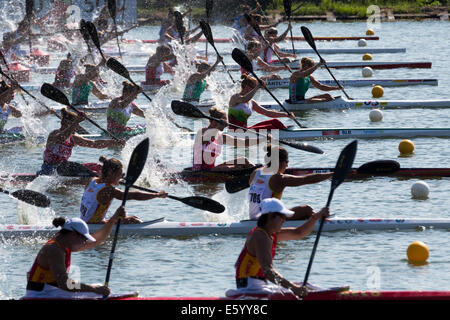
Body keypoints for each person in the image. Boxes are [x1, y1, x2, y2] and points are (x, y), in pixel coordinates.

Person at [229, 197, 330, 298]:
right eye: (282, 216)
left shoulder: (270, 233)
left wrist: (315, 217)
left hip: (259, 285)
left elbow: (299, 233)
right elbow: (268, 272)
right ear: (270, 216)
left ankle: (328, 292)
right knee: (290, 294)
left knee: (305, 285)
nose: (284, 220)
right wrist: (294, 289)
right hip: (248, 288)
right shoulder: (260, 237)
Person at [22, 206, 126, 299]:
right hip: (39, 295)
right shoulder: (54, 249)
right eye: (84, 239)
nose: (84, 243)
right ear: (73, 234)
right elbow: (65, 284)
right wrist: (93, 289)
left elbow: (97, 240)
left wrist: (114, 219)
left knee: (98, 287)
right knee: (96, 291)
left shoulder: (64, 244)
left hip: (50, 291)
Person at [248, 144, 332, 220]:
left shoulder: (256, 172)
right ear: (281, 162)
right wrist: (333, 174)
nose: (287, 166)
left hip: (253, 217)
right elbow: (306, 179)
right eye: (287, 162)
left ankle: (313, 217)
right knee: (307, 209)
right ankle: (316, 218)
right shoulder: (278, 179)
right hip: (268, 219)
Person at [80, 156, 167, 224]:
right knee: (133, 220)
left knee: (130, 218)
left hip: (85, 221)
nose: (121, 177)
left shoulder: (92, 180)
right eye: (120, 174)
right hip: (95, 225)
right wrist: (157, 195)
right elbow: (134, 195)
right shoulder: (109, 190)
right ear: (111, 173)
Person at [37, 108, 124, 175]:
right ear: (67, 123)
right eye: (76, 125)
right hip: (49, 168)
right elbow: (62, 137)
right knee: (86, 171)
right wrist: (76, 121)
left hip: (65, 168)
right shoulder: (54, 134)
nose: (77, 127)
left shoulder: (73, 138)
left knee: (97, 167)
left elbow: (94, 144)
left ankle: (113, 175)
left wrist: (114, 142)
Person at [193, 107, 263, 172]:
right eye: (224, 119)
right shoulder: (202, 131)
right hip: (200, 171)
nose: (226, 122)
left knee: (244, 160)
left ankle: (257, 176)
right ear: (214, 121)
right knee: (237, 167)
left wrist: (264, 139)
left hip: (212, 169)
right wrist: (218, 126)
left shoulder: (221, 137)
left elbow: (244, 143)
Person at [228, 74, 295, 131]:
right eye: (253, 87)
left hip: (246, 130)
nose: (255, 90)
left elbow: (267, 112)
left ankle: (285, 131)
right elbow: (244, 99)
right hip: (236, 132)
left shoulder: (252, 102)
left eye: (255, 87)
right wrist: (257, 87)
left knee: (275, 122)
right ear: (246, 87)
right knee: (270, 127)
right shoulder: (235, 97)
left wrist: (286, 115)